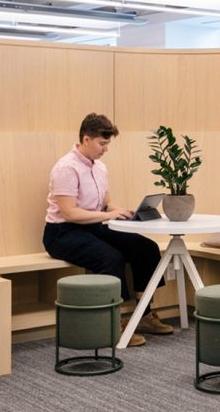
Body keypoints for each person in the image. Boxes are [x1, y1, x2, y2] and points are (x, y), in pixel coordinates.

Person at [42, 113, 172, 347]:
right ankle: (112, 324)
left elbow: (106, 203)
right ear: (86, 139)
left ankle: (143, 315)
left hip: (92, 227)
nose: (106, 149)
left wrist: (120, 211)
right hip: (62, 233)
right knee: (112, 258)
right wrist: (108, 215)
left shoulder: (100, 167)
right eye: (102, 144)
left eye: (107, 144)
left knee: (146, 248)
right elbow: (70, 213)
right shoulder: (65, 168)